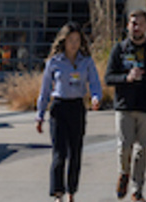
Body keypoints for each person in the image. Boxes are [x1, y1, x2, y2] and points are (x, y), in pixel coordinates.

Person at [104, 10, 146, 201]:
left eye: (140, 24)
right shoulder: (120, 49)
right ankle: (123, 173)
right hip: (125, 107)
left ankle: (137, 189)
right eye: (133, 23)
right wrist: (127, 77)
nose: (136, 27)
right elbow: (108, 78)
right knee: (125, 146)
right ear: (128, 25)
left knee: (142, 149)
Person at [37, 23, 102, 202]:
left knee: (76, 152)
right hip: (59, 108)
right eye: (70, 40)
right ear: (63, 41)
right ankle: (58, 193)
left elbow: (95, 82)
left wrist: (96, 97)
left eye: (77, 40)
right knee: (59, 153)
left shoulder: (86, 61)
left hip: (77, 108)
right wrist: (40, 115)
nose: (73, 44)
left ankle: (72, 190)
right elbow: (44, 90)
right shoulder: (54, 62)